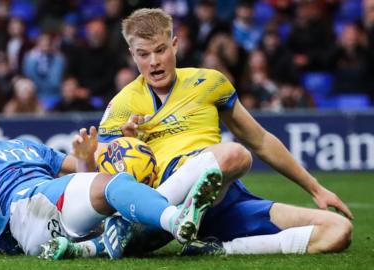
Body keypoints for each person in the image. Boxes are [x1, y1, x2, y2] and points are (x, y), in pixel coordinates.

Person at [56, 8, 352, 259]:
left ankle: (220, 248)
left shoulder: (209, 82)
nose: (154, 62)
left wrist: (316, 189)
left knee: (338, 231)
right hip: (169, 189)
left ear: (175, 44)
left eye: (160, 50)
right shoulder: (122, 104)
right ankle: (163, 216)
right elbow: (102, 181)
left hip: (224, 195)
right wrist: (122, 145)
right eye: (144, 54)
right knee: (234, 153)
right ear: (132, 55)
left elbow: (260, 139)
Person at [0, 71, 223, 257]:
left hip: (58, 212)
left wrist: (108, 151)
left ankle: (93, 246)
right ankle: (175, 221)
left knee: (206, 162)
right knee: (114, 187)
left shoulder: (24, 146)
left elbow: (86, 184)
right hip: (24, 214)